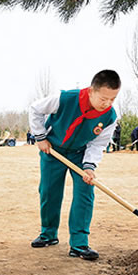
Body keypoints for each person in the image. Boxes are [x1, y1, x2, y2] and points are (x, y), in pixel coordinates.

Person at [29, 69, 120, 261]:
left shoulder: (110, 117)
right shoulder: (65, 98)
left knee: (85, 193)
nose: (108, 104)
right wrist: (40, 137)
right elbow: (36, 109)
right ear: (91, 91)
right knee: (49, 192)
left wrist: (89, 166)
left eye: (112, 99)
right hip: (52, 149)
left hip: (81, 153)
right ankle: (48, 234)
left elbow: (98, 143)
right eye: (104, 99)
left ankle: (79, 244)